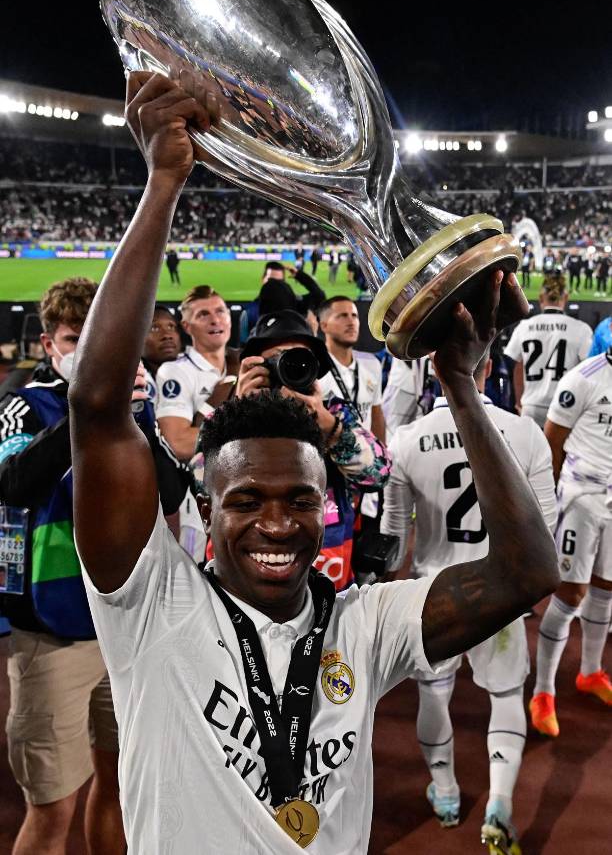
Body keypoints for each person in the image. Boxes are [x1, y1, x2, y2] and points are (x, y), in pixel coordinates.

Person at [67, 70, 557, 855]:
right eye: (246, 499)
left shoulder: (361, 626)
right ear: (203, 509)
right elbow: (96, 413)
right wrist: (163, 182)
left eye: (299, 499)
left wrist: (460, 383)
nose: (275, 521)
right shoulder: (150, 604)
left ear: (326, 499)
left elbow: (528, 575)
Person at [381, 348, 557, 855]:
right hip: (500, 591)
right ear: (487, 369)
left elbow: (394, 536)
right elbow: (544, 529)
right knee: (505, 697)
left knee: (434, 697)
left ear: (431, 371)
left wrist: (390, 586)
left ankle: (446, 792)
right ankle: (499, 803)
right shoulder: (523, 433)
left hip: (434, 591)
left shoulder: (406, 439)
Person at [0, 278, 126, 855]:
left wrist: (134, 413)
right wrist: (79, 408)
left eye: (95, 336)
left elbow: (171, 494)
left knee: (120, 786)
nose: (88, 348)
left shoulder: (128, 398)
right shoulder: (24, 404)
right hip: (52, 634)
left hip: (120, 628)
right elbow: (12, 484)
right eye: (75, 338)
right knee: (52, 810)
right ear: (50, 345)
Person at [234, 308, 389, 590]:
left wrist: (329, 428)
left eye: (297, 358)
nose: (286, 368)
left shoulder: (334, 413)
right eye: (276, 359)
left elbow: (378, 474)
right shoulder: (230, 419)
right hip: (249, 587)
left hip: (329, 586)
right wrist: (241, 420)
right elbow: (201, 483)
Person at [530, 350, 612, 737]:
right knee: (571, 593)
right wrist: (552, 511)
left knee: (606, 587)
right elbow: (552, 444)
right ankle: (543, 692)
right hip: (582, 500)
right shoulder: (584, 377)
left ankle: (591, 671)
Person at [155, 284, 237, 460]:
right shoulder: (175, 371)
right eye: (203, 314)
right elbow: (177, 442)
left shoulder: (242, 364)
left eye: (220, 311)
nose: (215, 320)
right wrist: (246, 435)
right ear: (187, 327)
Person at [504, 276, 592, 428]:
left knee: (529, 451)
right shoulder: (581, 329)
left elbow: (518, 367)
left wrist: (519, 401)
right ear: (565, 297)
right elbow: (586, 371)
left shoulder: (525, 326)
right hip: (565, 405)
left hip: (531, 405)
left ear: (540, 298)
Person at [318, 296, 385, 441]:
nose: (351, 322)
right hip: (328, 459)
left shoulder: (372, 364)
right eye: (342, 316)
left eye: (354, 316)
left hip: (366, 459)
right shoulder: (315, 369)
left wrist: (383, 454)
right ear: (324, 326)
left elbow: (376, 413)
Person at [242, 260, 326, 334]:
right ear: (263, 279)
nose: (274, 286)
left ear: (284, 283)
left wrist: (299, 275)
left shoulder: (294, 301)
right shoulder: (249, 312)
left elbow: (319, 296)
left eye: (279, 282)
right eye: (271, 281)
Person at [142, 303, 181, 402]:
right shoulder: (127, 380)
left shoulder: (199, 374)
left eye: (171, 326)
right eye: (154, 328)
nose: (167, 335)